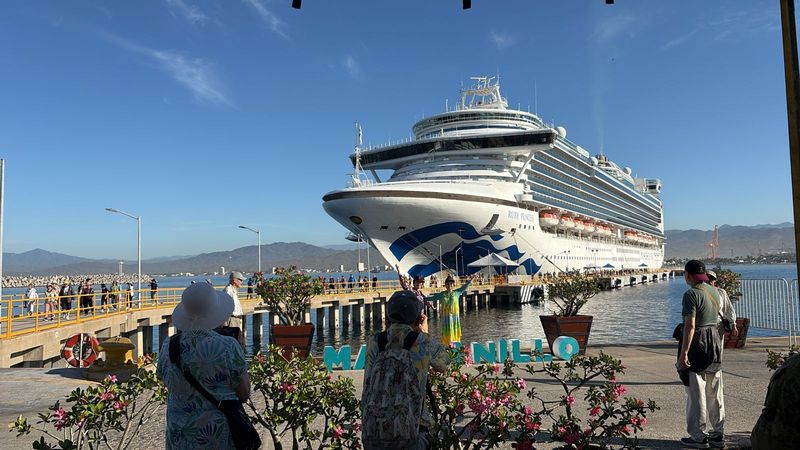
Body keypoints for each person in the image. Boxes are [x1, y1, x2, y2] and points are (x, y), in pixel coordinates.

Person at [157, 282, 250, 450]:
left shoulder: (168, 345)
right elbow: (243, 394)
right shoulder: (227, 345)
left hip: (179, 435)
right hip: (217, 435)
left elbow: (167, 382)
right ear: (216, 313)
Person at [361, 290, 448, 450]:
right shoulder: (423, 341)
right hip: (411, 433)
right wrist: (424, 332)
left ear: (387, 318)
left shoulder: (374, 342)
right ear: (417, 318)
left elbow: (367, 384)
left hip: (374, 433)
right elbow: (444, 363)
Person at [678, 260, 726, 449]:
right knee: (715, 390)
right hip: (714, 340)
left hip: (698, 342)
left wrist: (684, 353)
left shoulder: (691, 294)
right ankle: (718, 434)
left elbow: (690, 325)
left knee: (696, 391)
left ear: (688, 275)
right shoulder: (715, 291)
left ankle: (698, 436)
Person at [426, 273, 478, 345]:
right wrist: (421, 298)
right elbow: (431, 298)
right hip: (446, 318)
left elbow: (465, 286)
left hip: (454, 317)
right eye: (447, 284)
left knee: (455, 334)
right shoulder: (442, 294)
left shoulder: (457, 292)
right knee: (447, 335)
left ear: (453, 285)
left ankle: (456, 347)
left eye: (451, 284)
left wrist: (472, 278)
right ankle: (447, 348)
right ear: (445, 285)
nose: (449, 285)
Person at [706, 270, 738, 349]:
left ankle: (717, 360)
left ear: (715, 280)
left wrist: (733, 324)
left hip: (719, 324)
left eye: (712, 278)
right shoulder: (700, 292)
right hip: (705, 325)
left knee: (718, 347)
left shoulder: (721, 292)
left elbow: (728, 308)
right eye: (707, 277)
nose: (709, 280)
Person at [224, 272, 246, 347]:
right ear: (234, 280)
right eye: (240, 280)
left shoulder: (233, 290)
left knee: (238, 341)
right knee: (234, 342)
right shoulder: (228, 290)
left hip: (235, 319)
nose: (242, 282)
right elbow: (226, 306)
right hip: (232, 319)